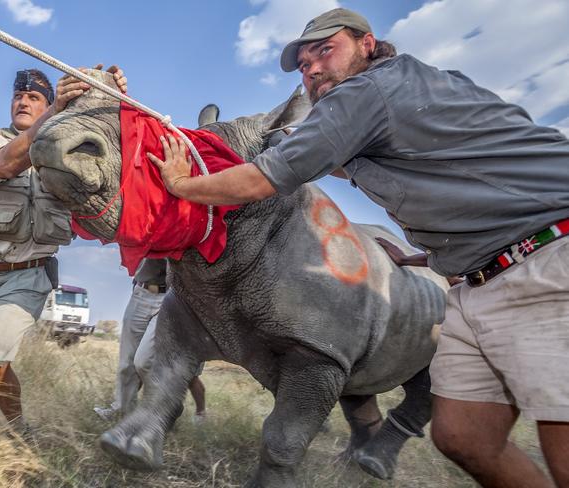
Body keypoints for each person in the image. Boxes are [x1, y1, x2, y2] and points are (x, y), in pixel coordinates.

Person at [145, 8, 569, 488]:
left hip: (549, 259)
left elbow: (266, 177)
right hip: (481, 277)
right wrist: (428, 257)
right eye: (303, 66)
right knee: (463, 437)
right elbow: (444, 182)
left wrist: (182, 183)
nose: (313, 70)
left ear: (368, 44)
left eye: (325, 51)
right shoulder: (391, 106)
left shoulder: (369, 91)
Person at [0, 65, 127, 485]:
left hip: (29, 278)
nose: (23, 101)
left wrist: (113, 100)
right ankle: (21, 430)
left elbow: (110, 159)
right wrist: (54, 117)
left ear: (49, 103)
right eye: (19, 95)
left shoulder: (63, 155)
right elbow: (4, 164)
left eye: (35, 98)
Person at [93, 258, 207, 423]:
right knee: (127, 362)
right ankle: (122, 411)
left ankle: (170, 405)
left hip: (172, 296)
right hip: (141, 292)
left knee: (144, 361)